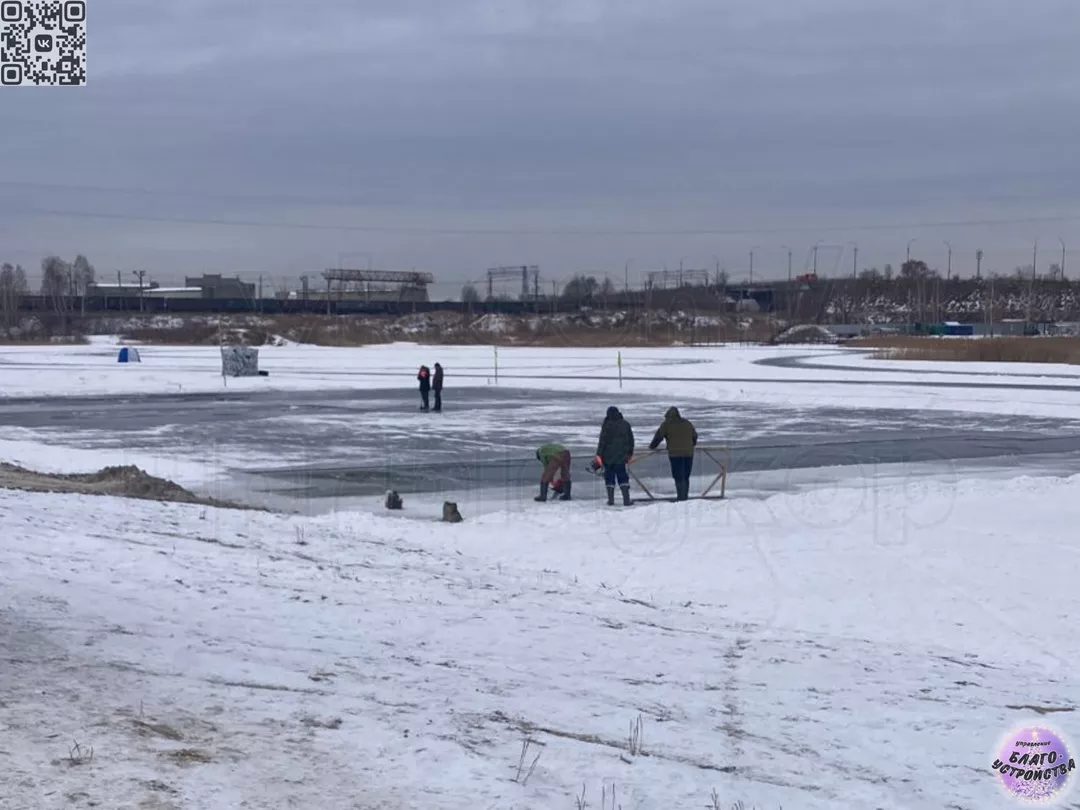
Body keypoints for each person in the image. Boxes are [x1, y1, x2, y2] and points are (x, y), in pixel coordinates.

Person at [649, 406, 698, 501]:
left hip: (675, 454)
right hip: (688, 453)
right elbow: (694, 436)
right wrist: (691, 445)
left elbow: (658, 437)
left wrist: (652, 447)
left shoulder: (666, 424)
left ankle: (681, 497)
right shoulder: (687, 423)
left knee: (678, 476)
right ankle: (685, 497)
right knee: (686, 476)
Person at [595, 406, 634, 506]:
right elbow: (631, 440)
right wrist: (629, 453)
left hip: (608, 457)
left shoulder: (607, 425)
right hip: (621, 456)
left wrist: (599, 454)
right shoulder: (625, 424)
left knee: (609, 478)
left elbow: (602, 441)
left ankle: (611, 500)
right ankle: (626, 500)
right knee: (623, 477)